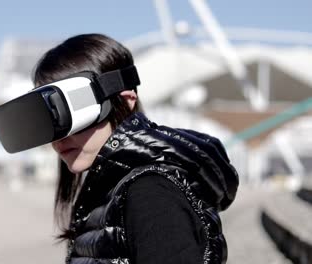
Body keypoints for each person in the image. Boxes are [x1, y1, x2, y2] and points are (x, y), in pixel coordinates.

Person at [28, 33, 239, 264]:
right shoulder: (113, 190)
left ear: (126, 101)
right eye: (50, 120)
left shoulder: (150, 192)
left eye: (70, 115)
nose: (59, 138)